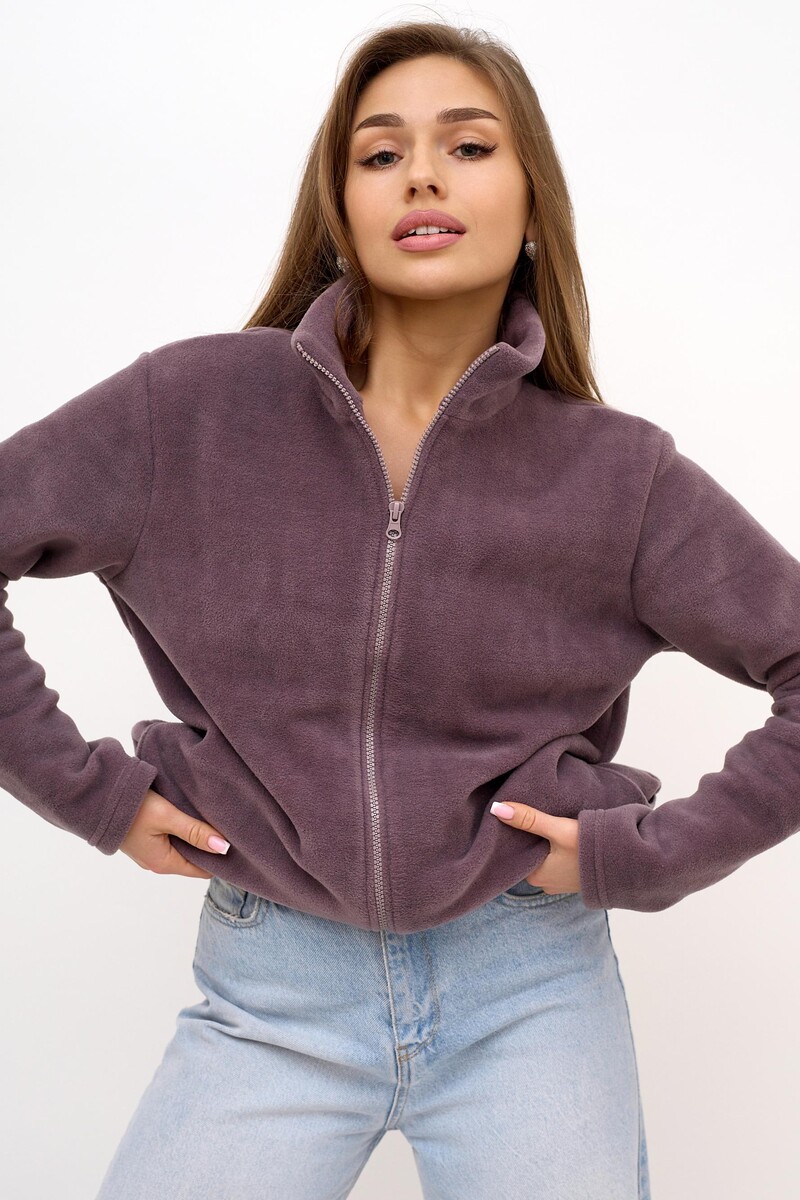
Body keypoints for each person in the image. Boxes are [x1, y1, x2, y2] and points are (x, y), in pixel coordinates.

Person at [3, 17, 799, 1200]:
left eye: (466, 146)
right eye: (379, 154)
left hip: (527, 990)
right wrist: (91, 796)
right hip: (271, 991)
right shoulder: (191, 409)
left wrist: (643, 855)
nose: (421, 175)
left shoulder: (617, 477)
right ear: (341, 209)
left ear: (532, 206)